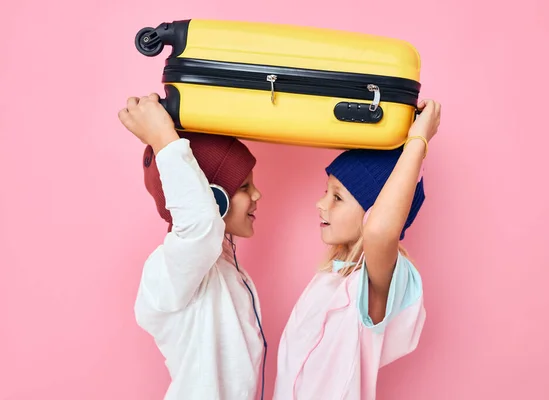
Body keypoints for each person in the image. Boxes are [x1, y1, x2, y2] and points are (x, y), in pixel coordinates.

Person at [273, 99, 442, 400]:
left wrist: (419, 139)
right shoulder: (328, 280)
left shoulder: (376, 285)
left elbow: (379, 232)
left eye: (337, 197)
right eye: (326, 191)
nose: (321, 204)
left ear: (371, 212)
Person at [118, 93, 267, 400]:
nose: (257, 196)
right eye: (244, 187)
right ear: (214, 198)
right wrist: (163, 140)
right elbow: (199, 224)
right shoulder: (172, 268)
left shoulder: (223, 266)